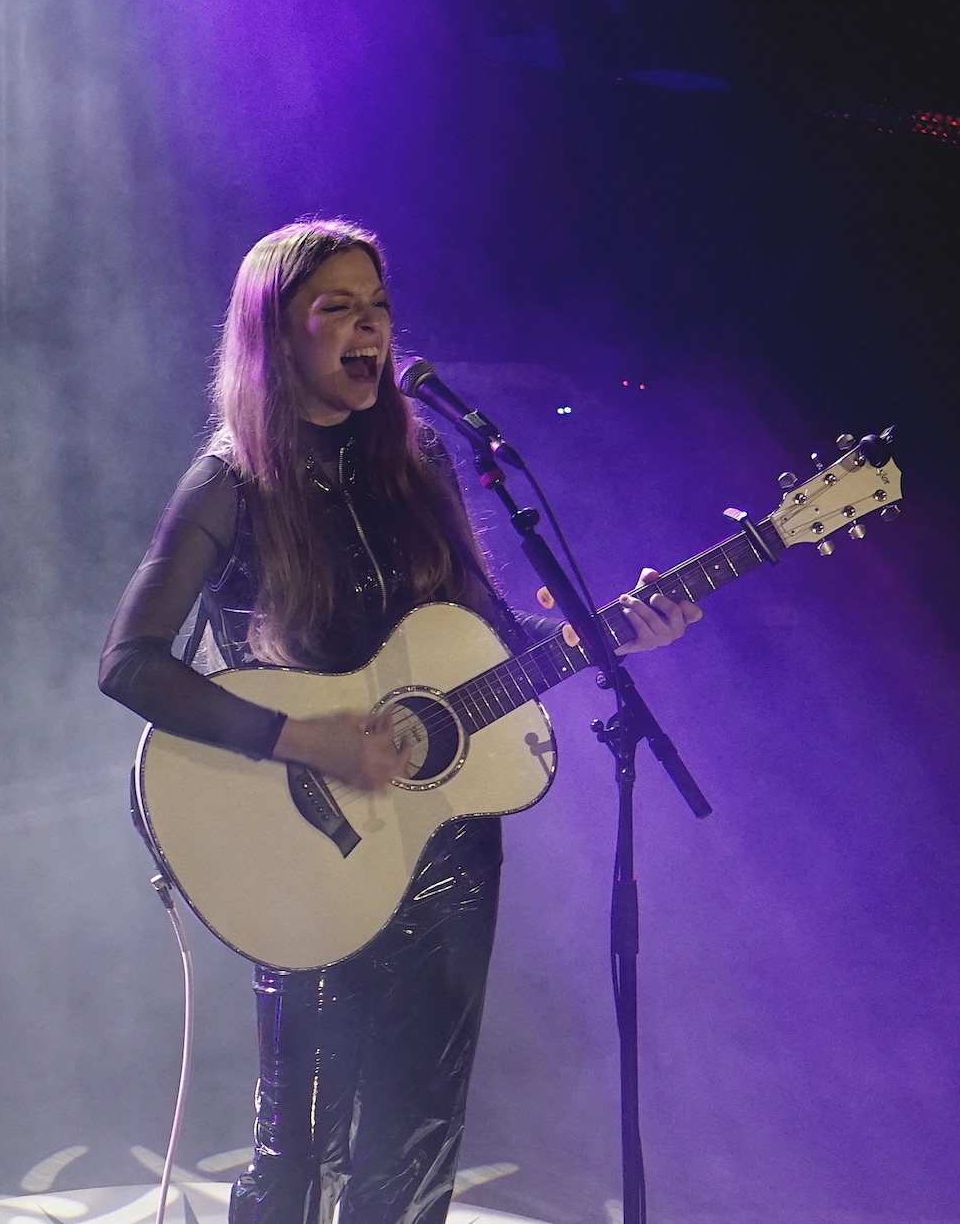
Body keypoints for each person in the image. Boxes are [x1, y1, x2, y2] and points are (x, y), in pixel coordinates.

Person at [98, 220, 700, 1224]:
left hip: (447, 841)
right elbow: (130, 662)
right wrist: (306, 737)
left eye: (376, 305)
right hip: (306, 840)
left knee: (415, 1143)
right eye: (336, 306)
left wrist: (611, 635)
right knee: (297, 1151)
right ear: (274, 334)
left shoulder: (418, 464)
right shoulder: (230, 482)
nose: (369, 325)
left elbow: (488, 639)